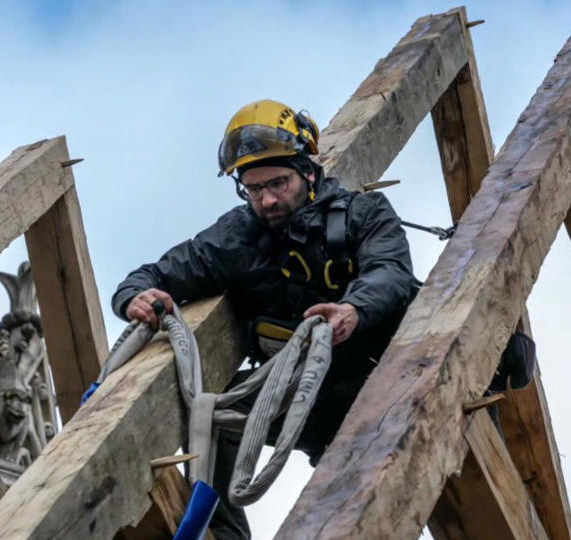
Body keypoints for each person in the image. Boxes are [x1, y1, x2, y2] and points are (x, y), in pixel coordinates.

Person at [111, 99, 419, 540]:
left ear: (308, 174)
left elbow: (389, 272)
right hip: (305, 399)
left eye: (278, 183)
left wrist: (354, 310)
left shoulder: (362, 214)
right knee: (215, 418)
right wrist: (134, 298)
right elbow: (156, 274)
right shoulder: (237, 236)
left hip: (386, 384)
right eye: (253, 190)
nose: (268, 199)